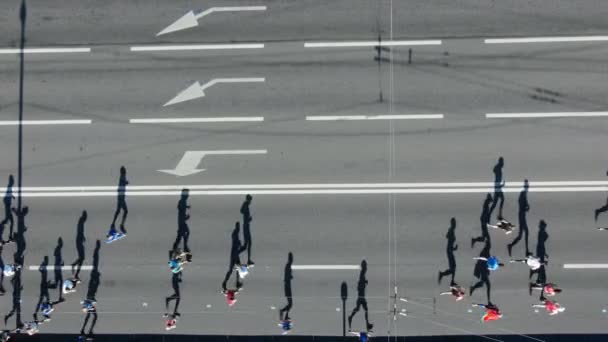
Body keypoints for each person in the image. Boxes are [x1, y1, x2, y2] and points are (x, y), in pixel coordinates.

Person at [110, 166, 129, 234]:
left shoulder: (122, 176)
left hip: (120, 197)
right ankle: (121, 224)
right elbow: (122, 183)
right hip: (121, 198)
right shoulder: (122, 177)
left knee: (118, 211)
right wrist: (126, 182)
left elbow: (121, 185)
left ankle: (113, 223)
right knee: (125, 211)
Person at [239, 194, 254, 266]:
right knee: (247, 245)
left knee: (247, 244)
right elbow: (243, 212)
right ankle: (248, 259)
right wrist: (249, 219)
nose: (251, 202)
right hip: (246, 227)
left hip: (246, 227)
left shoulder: (245, 205)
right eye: (250, 200)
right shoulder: (246, 205)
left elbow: (241, 211)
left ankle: (248, 259)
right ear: (248, 199)